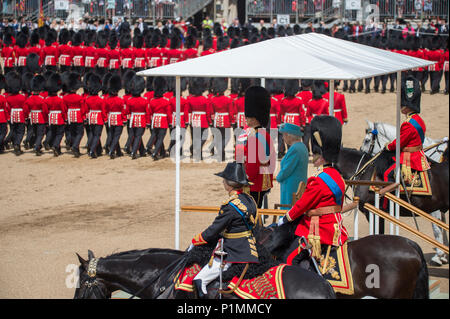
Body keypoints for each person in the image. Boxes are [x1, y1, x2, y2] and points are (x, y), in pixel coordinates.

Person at [277, 115, 348, 265]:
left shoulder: (319, 179)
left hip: (319, 229)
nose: (314, 158)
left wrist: (285, 218)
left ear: (321, 156)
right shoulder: (337, 176)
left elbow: (303, 205)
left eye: (316, 155)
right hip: (336, 225)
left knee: (289, 259)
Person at [190, 162, 259, 299]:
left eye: (224, 180)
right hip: (250, 246)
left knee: (199, 280)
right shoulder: (249, 200)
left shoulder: (230, 205)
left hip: (235, 250)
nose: (222, 182)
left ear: (228, 184)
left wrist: (196, 240)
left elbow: (214, 230)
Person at [382, 76, 430, 185]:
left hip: (410, 157)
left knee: (387, 174)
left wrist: (388, 146)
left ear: (407, 106)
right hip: (419, 154)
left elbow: (399, 143)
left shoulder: (408, 124)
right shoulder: (419, 120)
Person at [235, 86, 276, 208]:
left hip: (254, 181)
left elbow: (252, 164)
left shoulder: (256, 136)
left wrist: (245, 179)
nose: (246, 118)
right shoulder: (260, 134)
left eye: (248, 116)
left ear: (254, 118)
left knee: (253, 212)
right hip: (260, 179)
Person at [275, 123, 308, 209]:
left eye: (283, 135)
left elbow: (287, 169)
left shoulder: (295, 149)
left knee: (288, 210)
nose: (283, 137)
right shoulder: (301, 146)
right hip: (297, 184)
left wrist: (278, 177)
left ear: (288, 135)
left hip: (291, 186)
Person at [24, 75, 48, 156]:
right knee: (40, 134)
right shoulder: (41, 99)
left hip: (32, 118)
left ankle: (35, 144)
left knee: (35, 133)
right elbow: (45, 111)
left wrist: (26, 117)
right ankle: (37, 147)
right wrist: (46, 119)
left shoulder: (29, 99)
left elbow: (26, 110)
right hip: (40, 117)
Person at [85, 73, 107, 159]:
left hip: (91, 118)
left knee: (94, 134)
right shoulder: (101, 100)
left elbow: (86, 110)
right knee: (97, 135)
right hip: (98, 118)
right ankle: (92, 150)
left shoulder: (88, 99)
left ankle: (98, 150)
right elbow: (103, 111)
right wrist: (105, 119)